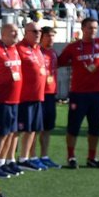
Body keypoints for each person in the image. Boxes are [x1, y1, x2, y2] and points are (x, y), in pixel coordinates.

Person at [58, 17, 99, 167]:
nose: (93, 30)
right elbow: (59, 62)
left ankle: (92, 157)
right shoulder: (73, 47)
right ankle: (71, 156)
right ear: (82, 29)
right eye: (90, 28)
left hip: (96, 93)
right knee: (73, 127)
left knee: (95, 128)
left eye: (95, 28)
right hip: (78, 93)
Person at [0, 23, 23, 178]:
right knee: (1, 133)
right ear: (4, 33)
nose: (16, 34)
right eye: (12, 31)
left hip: (15, 99)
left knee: (10, 132)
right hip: (1, 99)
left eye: (16, 31)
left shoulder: (15, 49)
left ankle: (3, 161)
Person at [15, 22, 47, 171]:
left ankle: (26, 157)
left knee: (33, 129)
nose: (37, 34)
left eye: (39, 31)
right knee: (20, 130)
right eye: (34, 31)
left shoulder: (38, 49)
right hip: (24, 96)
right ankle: (11, 159)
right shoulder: (19, 48)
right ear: (25, 32)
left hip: (37, 96)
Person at [36, 25, 61, 167]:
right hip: (38, 95)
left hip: (51, 95)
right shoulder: (36, 51)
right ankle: (29, 156)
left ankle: (44, 156)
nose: (51, 39)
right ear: (42, 37)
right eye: (48, 36)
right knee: (34, 129)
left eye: (53, 36)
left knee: (47, 128)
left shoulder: (52, 53)